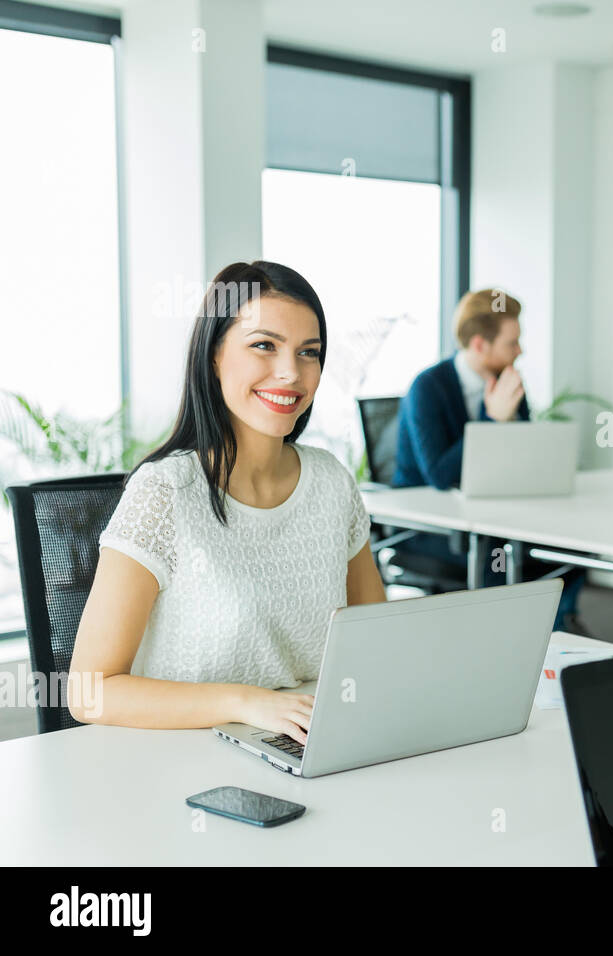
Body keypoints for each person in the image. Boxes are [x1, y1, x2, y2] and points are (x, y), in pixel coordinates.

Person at [69, 261, 387, 744]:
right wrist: (245, 702)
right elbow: (88, 692)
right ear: (215, 354)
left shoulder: (331, 483)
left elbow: (378, 642)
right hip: (178, 762)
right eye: (264, 345)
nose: (290, 373)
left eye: (309, 352)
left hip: (307, 743)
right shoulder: (165, 493)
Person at [391, 289, 586, 630]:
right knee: (494, 558)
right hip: (428, 526)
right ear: (480, 344)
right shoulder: (428, 387)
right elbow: (439, 475)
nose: (520, 351)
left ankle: (556, 633)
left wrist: (509, 422)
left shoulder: (506, 383)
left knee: (571, 547)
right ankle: (505, 640)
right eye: (512, 343)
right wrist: (490, 421)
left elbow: (523, 460)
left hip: (489, 515)